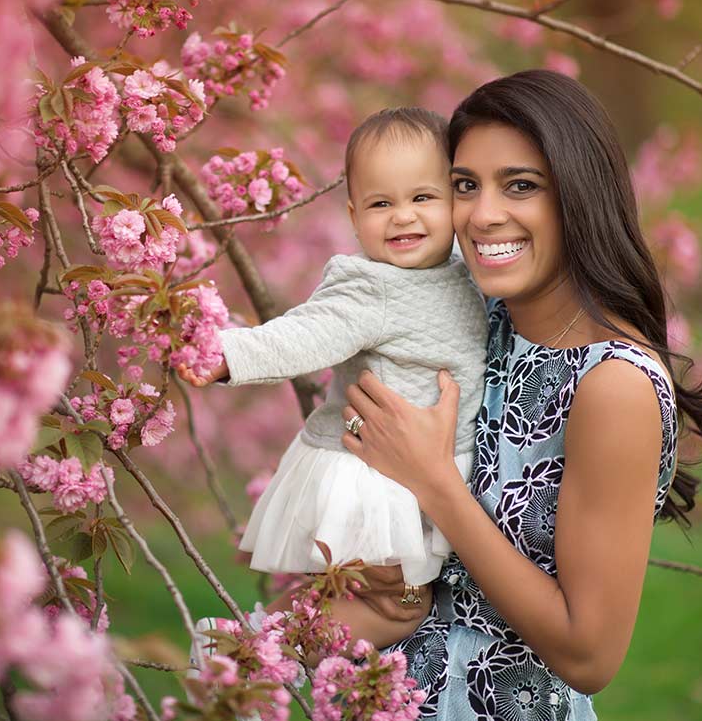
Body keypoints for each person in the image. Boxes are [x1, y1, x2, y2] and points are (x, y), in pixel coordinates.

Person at [339, 70, 702, 719]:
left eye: (520, 185)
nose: (483, 214)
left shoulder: (614, 386)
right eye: (465, 185)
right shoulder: (469, 327)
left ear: (578, 196)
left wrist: (437, 487)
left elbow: (590, 655)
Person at [178, 107, 488, 651]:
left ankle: (236, 647)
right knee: (393, 605)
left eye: (422, 198)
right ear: (353, 215)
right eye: (380, 203)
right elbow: (305, 334)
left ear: (455, 200)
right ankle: (250, 658)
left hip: (420, 473)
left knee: (350, 595)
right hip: (378, 478)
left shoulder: (463, 268)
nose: (402, 218)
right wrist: (226, 354)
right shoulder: (371, 288)